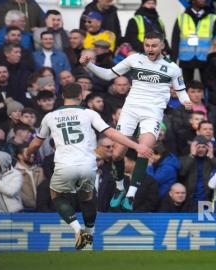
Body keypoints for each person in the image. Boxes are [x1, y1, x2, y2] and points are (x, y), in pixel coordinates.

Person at [24, 83, 152, 250]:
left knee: (57, 196)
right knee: (87, 198)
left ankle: (78, 229)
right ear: (81, 96)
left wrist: (28, 152)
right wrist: (136, 146)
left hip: (64, 164)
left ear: (62, 96)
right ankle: (89, 233)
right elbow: (111, 133)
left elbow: (36, 143)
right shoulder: (89, 114)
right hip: (87, 164)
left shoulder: (50, 117)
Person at [80, 31, 192, 211]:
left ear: (162, 45)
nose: (150, 49)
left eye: (154, 45)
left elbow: (181, 90)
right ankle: (119, 188)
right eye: (147, 45)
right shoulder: (134, 60)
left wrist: (185, 100)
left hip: (153, 113)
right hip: (130, 111)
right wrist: (90, 65)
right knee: (117, 155)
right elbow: (109, 75)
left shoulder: (172, 68)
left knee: (144, 150)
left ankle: (131, 194)